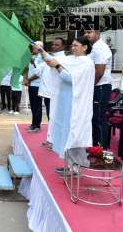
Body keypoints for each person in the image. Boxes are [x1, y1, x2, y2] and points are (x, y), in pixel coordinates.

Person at [33, 36, 95, 173]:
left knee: (75, 136)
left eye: (76, 46)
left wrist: (57, 66)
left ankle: (76, 168)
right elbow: (51, 60)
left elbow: (69, 78)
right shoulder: (71, 60)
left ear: (85, 47)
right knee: (66, 133)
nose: (73, 48)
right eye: (72, 45)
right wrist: (41, 51)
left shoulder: (86, 63)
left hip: (77, 106)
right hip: (66, 103)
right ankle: (70, 166)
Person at [85, 30, 113, 149]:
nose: (86, 35)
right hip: (96, 87)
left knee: (98, 119)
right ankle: (95, 147)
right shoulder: (94, 47)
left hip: (100, 87)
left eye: (89, 32)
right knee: (94, 119)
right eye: (85, 32)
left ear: (97, 33)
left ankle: (101, 150)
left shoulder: (101, 47)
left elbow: (99, 72)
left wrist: (89, 88)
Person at [38, 38, 67, 147]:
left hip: (58, 93)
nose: (54, 46)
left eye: (57, 45)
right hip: (49, 92)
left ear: (63, 46)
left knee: (56, 118)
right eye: (53, 44)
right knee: (51, 117)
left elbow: (49, 61)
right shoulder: (54, 56)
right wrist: (42, 52)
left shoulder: (63, 58)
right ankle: (51, 139)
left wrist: (41, 51)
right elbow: (47, 59)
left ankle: (56, 141)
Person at [24, 41, 45, 133]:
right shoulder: (32, 56)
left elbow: (39, 73)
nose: (33, 48)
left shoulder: (42, 57)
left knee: (37, 106)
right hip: (31, 84)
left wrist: (29, 80)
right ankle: (33, 124)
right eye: (32, 46)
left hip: (37, 84)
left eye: (34, 46)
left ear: (39, 47)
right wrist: (26, 79)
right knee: (33, 105)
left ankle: (37, 125)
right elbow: (27, 69)